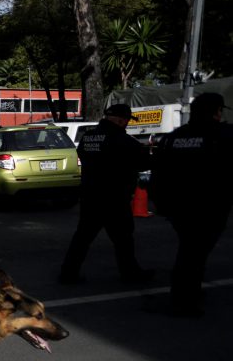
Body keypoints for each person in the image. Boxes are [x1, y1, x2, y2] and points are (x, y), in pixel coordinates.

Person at [150, 92, 233, 316]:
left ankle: (186, 294)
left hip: (178, 208)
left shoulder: (174, 137)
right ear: (217, 111)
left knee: (190, 250)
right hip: (210, 207)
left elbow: (157, 173)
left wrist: (160, 203)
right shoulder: (223, 135)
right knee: (193, 255)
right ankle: (185, 300)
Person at [59, 103, 153, 284]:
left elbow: (83, 156)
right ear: (120, 119)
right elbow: (145, 162)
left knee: (83, 237)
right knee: (124, 239)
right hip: (115, 198)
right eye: (126, 121)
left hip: (90, 196)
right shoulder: (122, 140)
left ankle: (68, 273)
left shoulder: (88, 137)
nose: (127, 124)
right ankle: (130, 273)